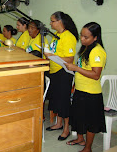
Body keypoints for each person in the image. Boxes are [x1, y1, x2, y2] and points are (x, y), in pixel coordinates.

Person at [65, 22, 106, 152]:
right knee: (79, 118)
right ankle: (80, 139)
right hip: (80, 90)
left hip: (91, 94)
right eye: (81, 36)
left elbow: (95, 75)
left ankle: (88, 148)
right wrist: (75, 86)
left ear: (95, 37)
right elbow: (82, 69)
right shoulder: (86, 48)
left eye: (86, 37)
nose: (82, 39)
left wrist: (75, 68)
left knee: (90, 122)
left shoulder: (97, 51)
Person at [44, 11, 79, 141]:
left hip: (64, 72)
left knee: (63, 101)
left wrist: (51, 56)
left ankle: (66, 129)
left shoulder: (68, 36)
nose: (50, 23)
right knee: (56, 100)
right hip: (54, 71)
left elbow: (69, 59)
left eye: (52, 21)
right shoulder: (56, 36)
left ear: (60, 22)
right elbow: (54, 51)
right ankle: (58, 124)